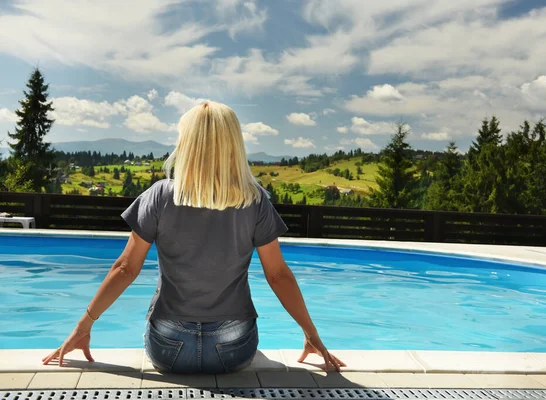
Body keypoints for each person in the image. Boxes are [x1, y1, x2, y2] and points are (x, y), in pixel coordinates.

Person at [42, 101, 344, 374]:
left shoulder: (159, 195)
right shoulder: (254, 200)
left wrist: (84, 325)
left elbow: (125, 268)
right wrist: (311, 334)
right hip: (234, 347)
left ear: (187, 143)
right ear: (234, 145)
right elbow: (278, 275)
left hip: (169, 346)